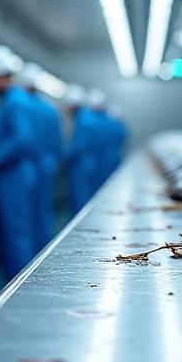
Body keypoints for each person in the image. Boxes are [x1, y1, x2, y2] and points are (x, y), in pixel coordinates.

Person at [0, 49, 39, 281]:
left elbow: (21, 138)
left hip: (13, 176)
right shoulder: (13, 100)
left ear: (1, 77)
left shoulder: (14, 102)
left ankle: (18, 285)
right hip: (15, 174)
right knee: (15, 231)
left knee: (14, 233)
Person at [17, 62, 62, 249]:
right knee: (44, 210)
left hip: (29, 164)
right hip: (48, 163)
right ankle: (45, 249)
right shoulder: (50, 108)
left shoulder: (23, 105)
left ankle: (29, 256)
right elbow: (58, 141)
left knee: (26, 215)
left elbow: (21, 138)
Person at [61, 85, 97, 214]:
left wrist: (63, 157)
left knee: (80, 200)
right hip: (86, 163)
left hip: (80, 165)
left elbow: (79, 145)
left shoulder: (83, 120)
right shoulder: (87, 117)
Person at [87, 88, 113, 192]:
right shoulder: (105, 120)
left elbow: (81, 143)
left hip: (86, 160)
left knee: (83, 191)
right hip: (102, 157)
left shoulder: (87, 120)